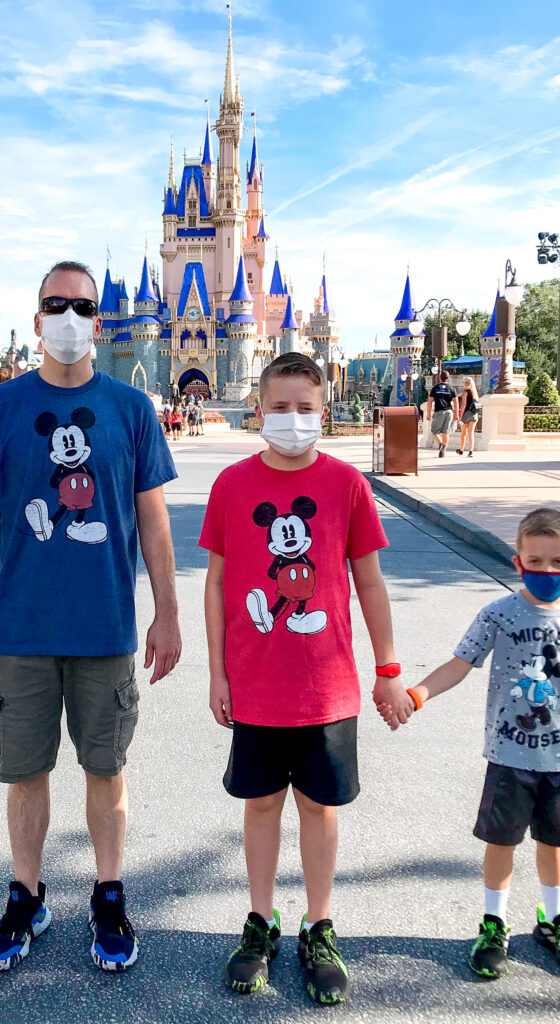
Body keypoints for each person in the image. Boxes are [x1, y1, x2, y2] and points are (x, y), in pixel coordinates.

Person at [0, 260, 181, 974]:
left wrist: (167, 614)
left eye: (83, 306)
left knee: (105, 769)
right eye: (57, 304)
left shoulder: (131, 409)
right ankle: (26, 895)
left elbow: (153, 521)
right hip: (19, 629)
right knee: (25, 772)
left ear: (100, 321)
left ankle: (108, 895)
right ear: (38, 314)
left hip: (105, 628)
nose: (71, 317)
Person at [199, 352, 412, 1003]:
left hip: (326, 691)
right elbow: (214, 585)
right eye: (280, 407)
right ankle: (260, 922)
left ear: (323, 410)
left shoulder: (346, 483)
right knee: (261, 805)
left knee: (318, 809)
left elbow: (369, 582)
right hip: (256, 688)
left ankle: (319, 926)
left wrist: (389, 670)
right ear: (258, 409)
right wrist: (218, 674)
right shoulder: (232, 486)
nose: (293, 419)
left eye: (305, 408)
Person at [379, 507, 560, 980]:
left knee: (555, 842)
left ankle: (552, 918)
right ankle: (494, 923)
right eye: (536, 561)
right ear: (518, 563)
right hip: (510, 755)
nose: (546, 571)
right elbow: (459, 664)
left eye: (556, 561)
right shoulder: (498, 613)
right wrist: (416, 695)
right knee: (502, 841)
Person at [425, 370, 458, 457]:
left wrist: (428, 413)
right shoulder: (451, 388)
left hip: (439, 412)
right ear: (448, 378)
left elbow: (429, 401)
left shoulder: (435, 388)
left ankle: (441, 444)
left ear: (440, 378)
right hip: (449, 412)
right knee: (446, 432)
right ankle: (443, 452)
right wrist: (456, 414)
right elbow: (456, 402)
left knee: (434, 431)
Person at [457, 376, 480, 458]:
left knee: (463, 434)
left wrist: (460, 416)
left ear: (465, 383)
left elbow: (463, 405)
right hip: (474, 414)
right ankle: (471, 451)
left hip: (466, 414)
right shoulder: (475, 393)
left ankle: (461, 450)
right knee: (471, 433)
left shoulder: (465, 392)